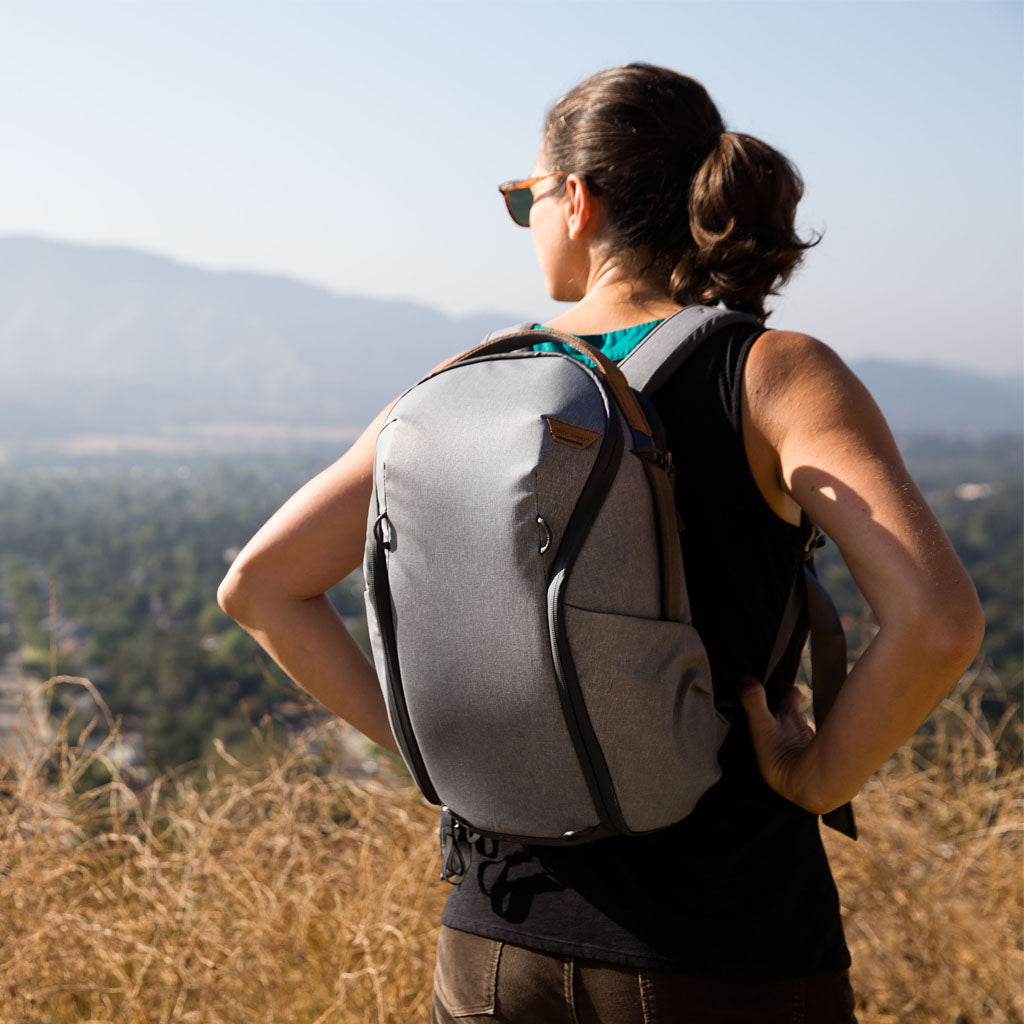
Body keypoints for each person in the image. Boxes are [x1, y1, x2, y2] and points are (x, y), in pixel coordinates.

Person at [218, 64, 984, 1024]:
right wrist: (817, 774)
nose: (527, 218)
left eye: (523, 198)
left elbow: (260, 587)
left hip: (496, 939)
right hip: (725, 941)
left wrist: (441, 755)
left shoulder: (474, 381)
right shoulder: (772, 373)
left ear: (575, 200)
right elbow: (938, 621)